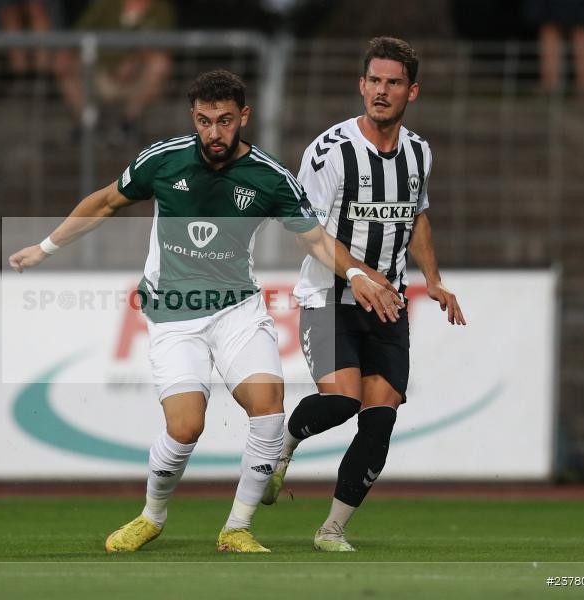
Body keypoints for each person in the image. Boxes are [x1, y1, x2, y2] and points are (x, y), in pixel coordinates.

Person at [9, 69, 401, 553]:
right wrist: (44, 247)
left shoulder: (270, 177)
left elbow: (316, 239)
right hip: (175, 312)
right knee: (186, 426)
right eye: (204, 121)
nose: (214, 133)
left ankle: (237, 527)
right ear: (192, 118)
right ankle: (152, 516)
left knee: (269, 412)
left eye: (225, 120)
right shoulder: (164, 160)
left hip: (238, 309)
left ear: (244, 117)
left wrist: (358, 275)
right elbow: (108, 202)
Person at [260, 37, 466, 552]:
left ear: (411, 91)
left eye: (393, 82)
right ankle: (285, 441)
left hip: (388, 303)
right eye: (374, 80)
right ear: (361, 85)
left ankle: (331, 529)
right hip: (328, 297)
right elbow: (304, 227)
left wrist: (433, 279)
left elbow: (416, 217)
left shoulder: (419, 151)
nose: (381, 90)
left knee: (380, 417)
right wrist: (356, 274)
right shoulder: (331, 152)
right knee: (342, 402)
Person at [54, 0, 175, 143]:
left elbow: (161, 44)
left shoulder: (161, 8)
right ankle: (88, 122)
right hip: (101, 73)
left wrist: (135, 61)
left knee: (160, 64)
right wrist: (66, 53)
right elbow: (81, 30)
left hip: (137, 79)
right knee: (63, 63)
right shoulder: (106, 4)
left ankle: (128, 124)